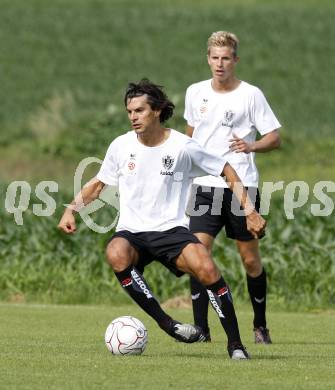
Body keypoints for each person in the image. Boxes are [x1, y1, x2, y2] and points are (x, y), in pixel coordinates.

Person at [58, 79, 266, 359]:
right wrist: (72, 208)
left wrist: (249, 210)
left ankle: (235, 345)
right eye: (129, 111)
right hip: (133, 232)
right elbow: (98, 184)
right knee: (115, 252)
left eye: (139, 110)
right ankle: (168, 323)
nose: (133, 117)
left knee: (206, 268)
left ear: (156, 111)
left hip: (171, 231)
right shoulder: (120, 146)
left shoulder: (183, 146)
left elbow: (226, 169)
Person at [184, 31, 281, 344]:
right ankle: (201, 329)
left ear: (235, 60)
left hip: (242, 187)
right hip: (204, 186)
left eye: (226, 58)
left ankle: (260, 325)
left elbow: (274, 138)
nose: (220, 64)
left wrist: (251, 146)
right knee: (197, 255)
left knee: (250, 261)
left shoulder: (251, 94)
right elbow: (190, 138)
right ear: (208, 58)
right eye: (215, 57)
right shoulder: (195, 92)